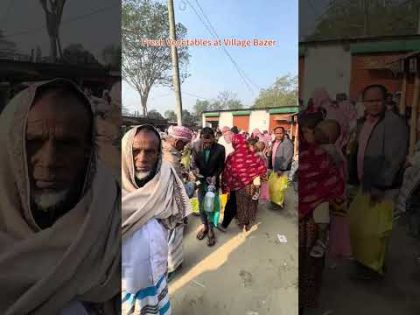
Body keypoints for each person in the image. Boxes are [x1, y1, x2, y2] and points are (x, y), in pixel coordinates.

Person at [0, 79, 120, 314]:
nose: (50, 161)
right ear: (8, 146)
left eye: (67, 144)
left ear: (88, 151)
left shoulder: (111, 216)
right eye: (33, 142)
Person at [121, 125, 191, 315]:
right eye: (135, 151)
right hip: (126, 283)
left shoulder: (166, 176)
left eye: (150, 151)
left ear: (158, 153)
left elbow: (178, 212)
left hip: (158, 269)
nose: (142, 159)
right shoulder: (106, 188)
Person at [347, 84, 408, 279]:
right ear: (363, 102)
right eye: (369, 101)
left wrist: (381, 185)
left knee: (377, 230)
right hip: (365, 183)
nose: (373, 104)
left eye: (377, 100)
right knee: (361, 226)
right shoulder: (362, 122)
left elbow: (394, 158)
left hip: (383, 186)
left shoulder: (394, 123)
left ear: (386, 100)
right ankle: (364, 261)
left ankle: (374, 268)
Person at [162, 125, 193, 278]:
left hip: (164, 203)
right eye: (184, 143)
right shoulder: (170, 156)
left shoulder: (166, 150)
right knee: (172, 236)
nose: (185, 146)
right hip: (170, 204)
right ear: (177, 140)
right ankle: (171, 267)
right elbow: (175, 185)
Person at [221, 134, 267, 232]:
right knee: (249, 204)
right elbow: (262, 169)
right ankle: (246, 224)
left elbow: (227, 173)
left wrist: (225, 187)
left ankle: (225, 224)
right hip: (251, 186)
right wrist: (255, 177)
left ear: (234, 143)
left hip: (236, 186)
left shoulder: (231, 156)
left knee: (233, 204)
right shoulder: (253, 155)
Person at [191, 127, 225, 246]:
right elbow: (193, 163)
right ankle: (205, 226)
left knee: (211, 206)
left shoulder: (220, 149)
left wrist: (215, 176)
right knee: (201, 205)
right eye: (204, 142)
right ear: (200, 138)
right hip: (200, 180)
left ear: (214, 138)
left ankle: (211, 229)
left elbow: (221, 166)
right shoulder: (195, 146)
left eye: (210, 142)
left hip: (212, 181)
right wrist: (195, 170)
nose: (207, 145)